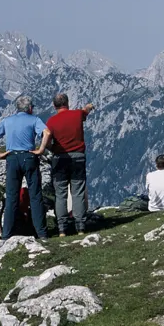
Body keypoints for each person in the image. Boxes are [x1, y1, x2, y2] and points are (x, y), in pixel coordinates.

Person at [0, 95, 52, 240]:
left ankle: (6, 235)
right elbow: (47, 133)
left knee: (11, 198)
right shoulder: (34, 119)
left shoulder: (8, 120)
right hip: (29, 157)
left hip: (12, 158)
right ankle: (42, 234)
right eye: (32, 107)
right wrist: (40, 150)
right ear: (30, 108)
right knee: (35, 196)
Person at [45, 93, 94, 237]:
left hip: (59, 159)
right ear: (68, 103)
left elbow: (46, 141)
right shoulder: (77, 114)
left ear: (54, 106)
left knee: (60, 194)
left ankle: (62, 229)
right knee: (77, 192)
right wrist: (89, 106)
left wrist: (53, 149)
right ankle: (80, 227)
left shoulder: (51, 121)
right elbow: (85, 111)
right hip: (78, 158)